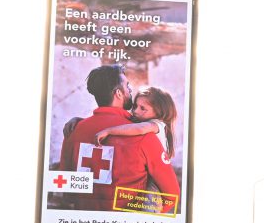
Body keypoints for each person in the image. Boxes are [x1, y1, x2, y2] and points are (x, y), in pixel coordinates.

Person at [59, 65, 180, 214]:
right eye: (127, 86)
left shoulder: (73, 130)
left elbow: (65, 191)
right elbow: (171, 195)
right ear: (118, 93)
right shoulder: (144, 134)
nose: (130, 90)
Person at [94, 85, 178, 163]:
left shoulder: (156, 124)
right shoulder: (144, 121)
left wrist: (109, 131)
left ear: (159, 112)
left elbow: (139, 129)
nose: (135, 111)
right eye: (135, 106)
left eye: (142, 108)